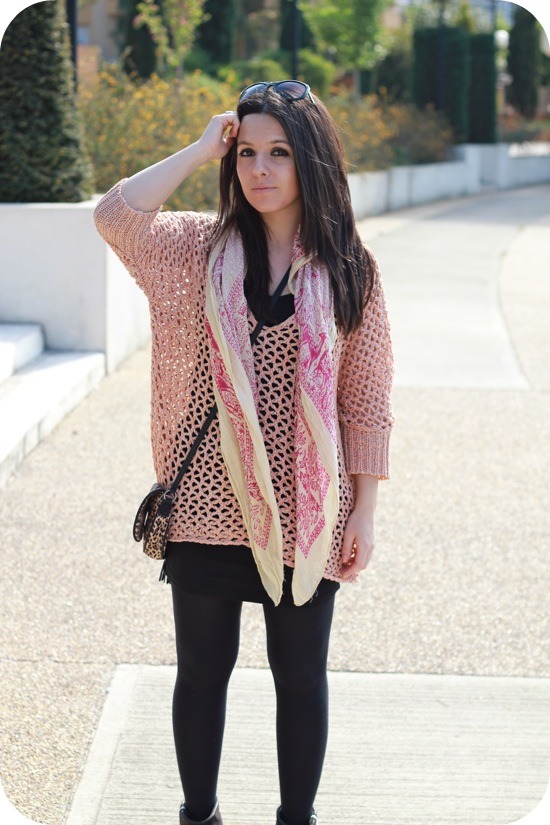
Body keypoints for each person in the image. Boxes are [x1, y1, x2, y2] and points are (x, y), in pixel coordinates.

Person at [94, 79, 394, 825]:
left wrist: (364, 511)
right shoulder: (193, 250)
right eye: (248, 152)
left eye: (279, 152)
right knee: (201, 672)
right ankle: (199, 815)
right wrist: (203, 147)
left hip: (309, 512)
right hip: (205, 504)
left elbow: (364, 402)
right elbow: (114, 216)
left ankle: (297, 818)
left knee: (301, 675)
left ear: (311, 159)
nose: (260, 169)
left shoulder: (351, 268)